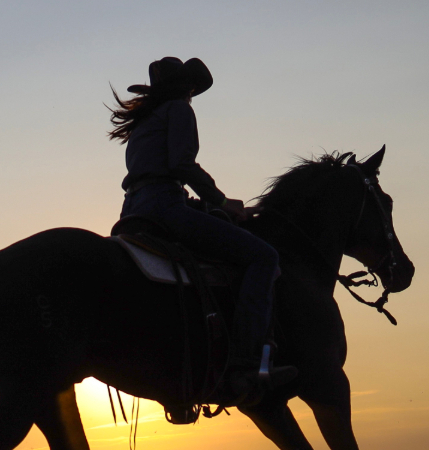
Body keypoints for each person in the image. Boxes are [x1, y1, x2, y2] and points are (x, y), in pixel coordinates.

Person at [110, 56, 295, 405]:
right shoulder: (178, 110)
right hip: (165, 208)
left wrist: (203, 207)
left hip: (134, 210)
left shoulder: (145, 119)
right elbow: (181, 165)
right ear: (188, 88)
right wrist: (221, 202)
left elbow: (158, 177)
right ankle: (247, 362)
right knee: (263, 257)